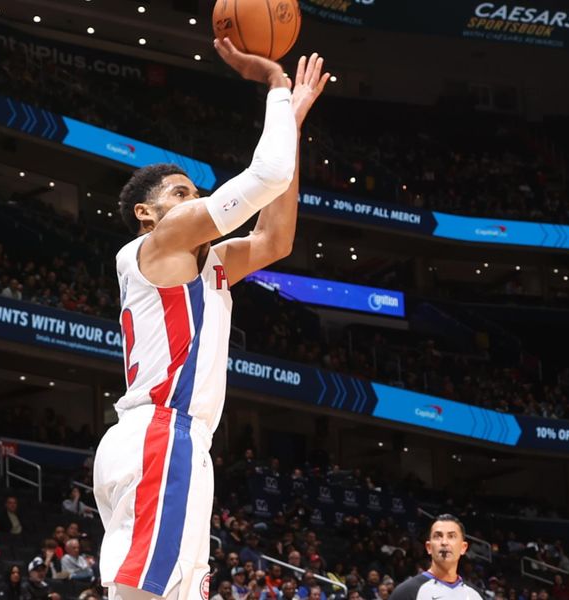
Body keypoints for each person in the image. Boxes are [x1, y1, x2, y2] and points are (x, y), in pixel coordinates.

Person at [93, 40, 329, 600]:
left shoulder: (211, 261)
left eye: (196, 194)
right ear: (146, 214)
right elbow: (266, 176)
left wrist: (291, 132)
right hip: (161, 432)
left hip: (171, 439)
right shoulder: (155, 242)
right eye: (181, 194)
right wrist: (275, 84)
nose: (196, 204)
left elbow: (276, 238)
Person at [388, 514, 480, 600]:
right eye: (438, 536)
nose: (444, 542)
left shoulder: (476, 595)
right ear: (429, 547)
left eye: (451, 536)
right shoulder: (406, 593)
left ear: (463, 548)